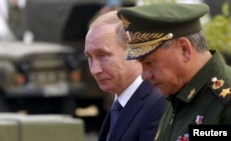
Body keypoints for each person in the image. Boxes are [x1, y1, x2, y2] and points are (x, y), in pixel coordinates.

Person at [116, 2, 231, 141]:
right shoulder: (176, 95)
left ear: (184, 49)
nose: (144, 75)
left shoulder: (225, 101)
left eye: (150, 62)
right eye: (141, 63)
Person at [84, 11, 166, 141]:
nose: (95, 70)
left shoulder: (157, 104)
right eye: (89, 57)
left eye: (103, 55)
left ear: (134, 52)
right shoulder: (121, 103)